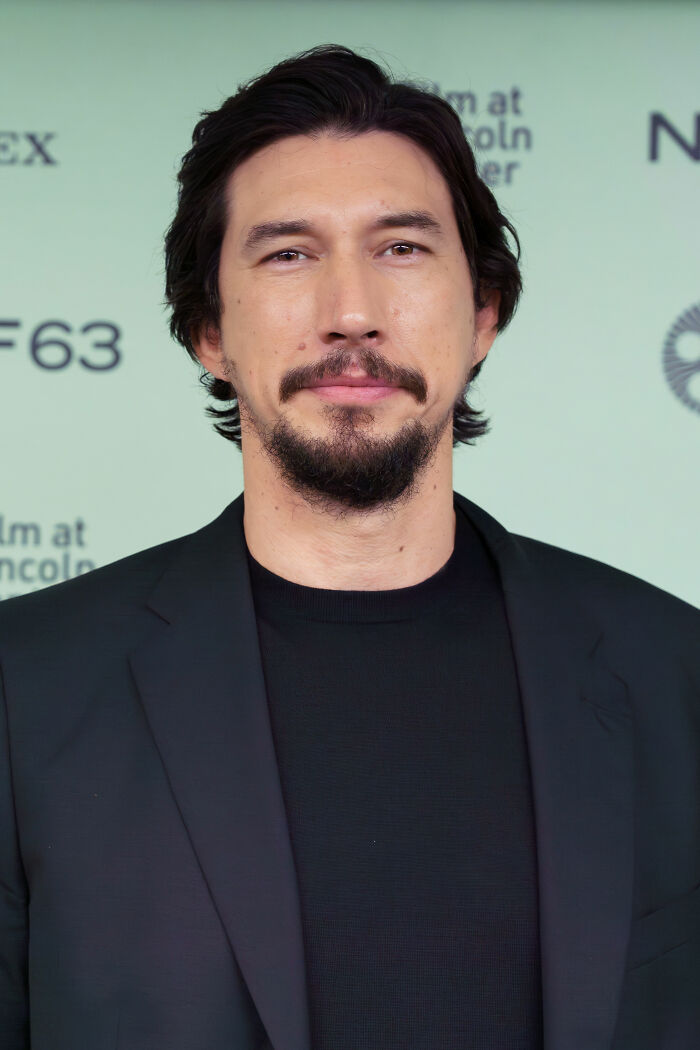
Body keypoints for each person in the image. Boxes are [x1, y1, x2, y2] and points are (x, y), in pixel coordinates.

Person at [0, 44, 698, 1050]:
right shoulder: (27, 692)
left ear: (483, 315)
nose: (352, 313)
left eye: (402, 248)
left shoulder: (672, 673)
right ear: (207, 329)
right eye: (288, 253)